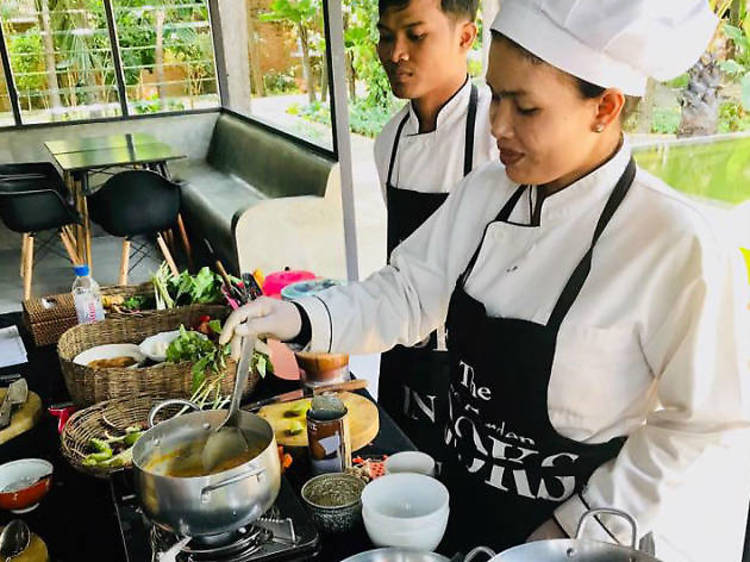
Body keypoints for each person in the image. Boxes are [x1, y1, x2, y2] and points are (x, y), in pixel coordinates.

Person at [222, 1, 750, 559]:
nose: (497, 125)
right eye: (495, 95)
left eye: (524, 108)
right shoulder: (485, 193)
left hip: (577, 539)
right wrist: (301, 316)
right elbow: (406, 291)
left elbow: (707, 426)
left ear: (605, 107)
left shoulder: (674, 244)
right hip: (467, 503)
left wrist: (572, 529)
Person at [374, 0, 497, 459]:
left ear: (466, 37)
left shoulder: (496, 133)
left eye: (416, 34)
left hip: (472, 361)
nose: (395, 53)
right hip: (403, 350)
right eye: (387, 35)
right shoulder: (388, 141)